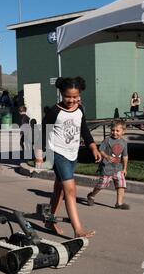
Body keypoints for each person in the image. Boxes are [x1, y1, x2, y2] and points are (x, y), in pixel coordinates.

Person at [35, 77, 101, 238]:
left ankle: (50, 220)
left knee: (60, 189)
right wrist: (39, 156)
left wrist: (93, 147)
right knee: (70, 189)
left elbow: (84, 130)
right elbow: (43, 133)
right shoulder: (54, 111)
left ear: (79, 95)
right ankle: (78, 229)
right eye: (67, 96)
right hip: (57, 153)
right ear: (61, 94)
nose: (71, 100)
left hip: (73, 154)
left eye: (74, 97)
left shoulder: (79, 110)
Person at [86, 119, 130, 210]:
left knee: (121, 184)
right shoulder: (107, 140)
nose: (114, 132)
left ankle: (119, 203)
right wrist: (106, 156)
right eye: (113, 130)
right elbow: (101, 150)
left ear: (123, 131)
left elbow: (125, 156)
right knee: (102, 184)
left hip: (118, 168)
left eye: (117, 131)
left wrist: (125, 168)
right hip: (107, 168)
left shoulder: (124, 143)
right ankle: (91, 195)